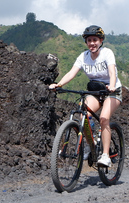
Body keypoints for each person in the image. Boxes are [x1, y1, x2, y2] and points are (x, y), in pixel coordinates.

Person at [48, 25, 122, 167]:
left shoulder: (107, 53)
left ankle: (105, 155)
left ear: (101, 41)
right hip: (95, 92)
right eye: (89, 40)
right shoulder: (83, 57)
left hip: (112, 92)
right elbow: (71, 73)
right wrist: (58, 85)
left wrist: (112, 85)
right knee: (83, 115)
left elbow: (112, 73)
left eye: (95, 40)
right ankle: (90, 144)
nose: (92, 43)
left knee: (104, 118)